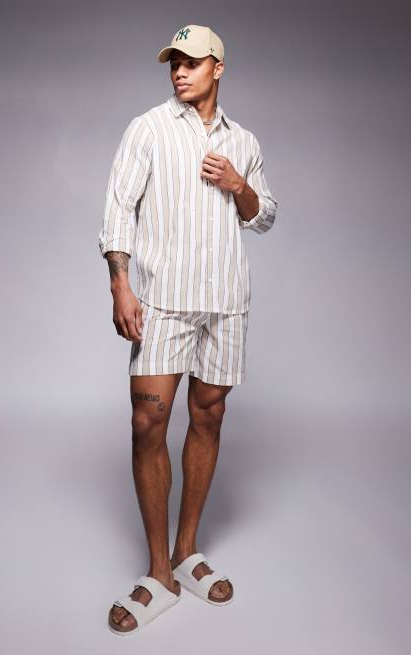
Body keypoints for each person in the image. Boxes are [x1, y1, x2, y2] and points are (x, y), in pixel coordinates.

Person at [99, 24, 279, 635]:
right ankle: (158, 572)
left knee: (209, 416)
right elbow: (118, 208)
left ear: (217, 68)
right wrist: (120, 285)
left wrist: (238, 184)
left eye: (192, 62)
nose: (179, 71)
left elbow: (265, 217)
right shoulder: (148, 128)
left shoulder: (244, 141)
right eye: (173, 62)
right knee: (147, 420)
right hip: (164, 302)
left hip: (225, 303)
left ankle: (187, 550)